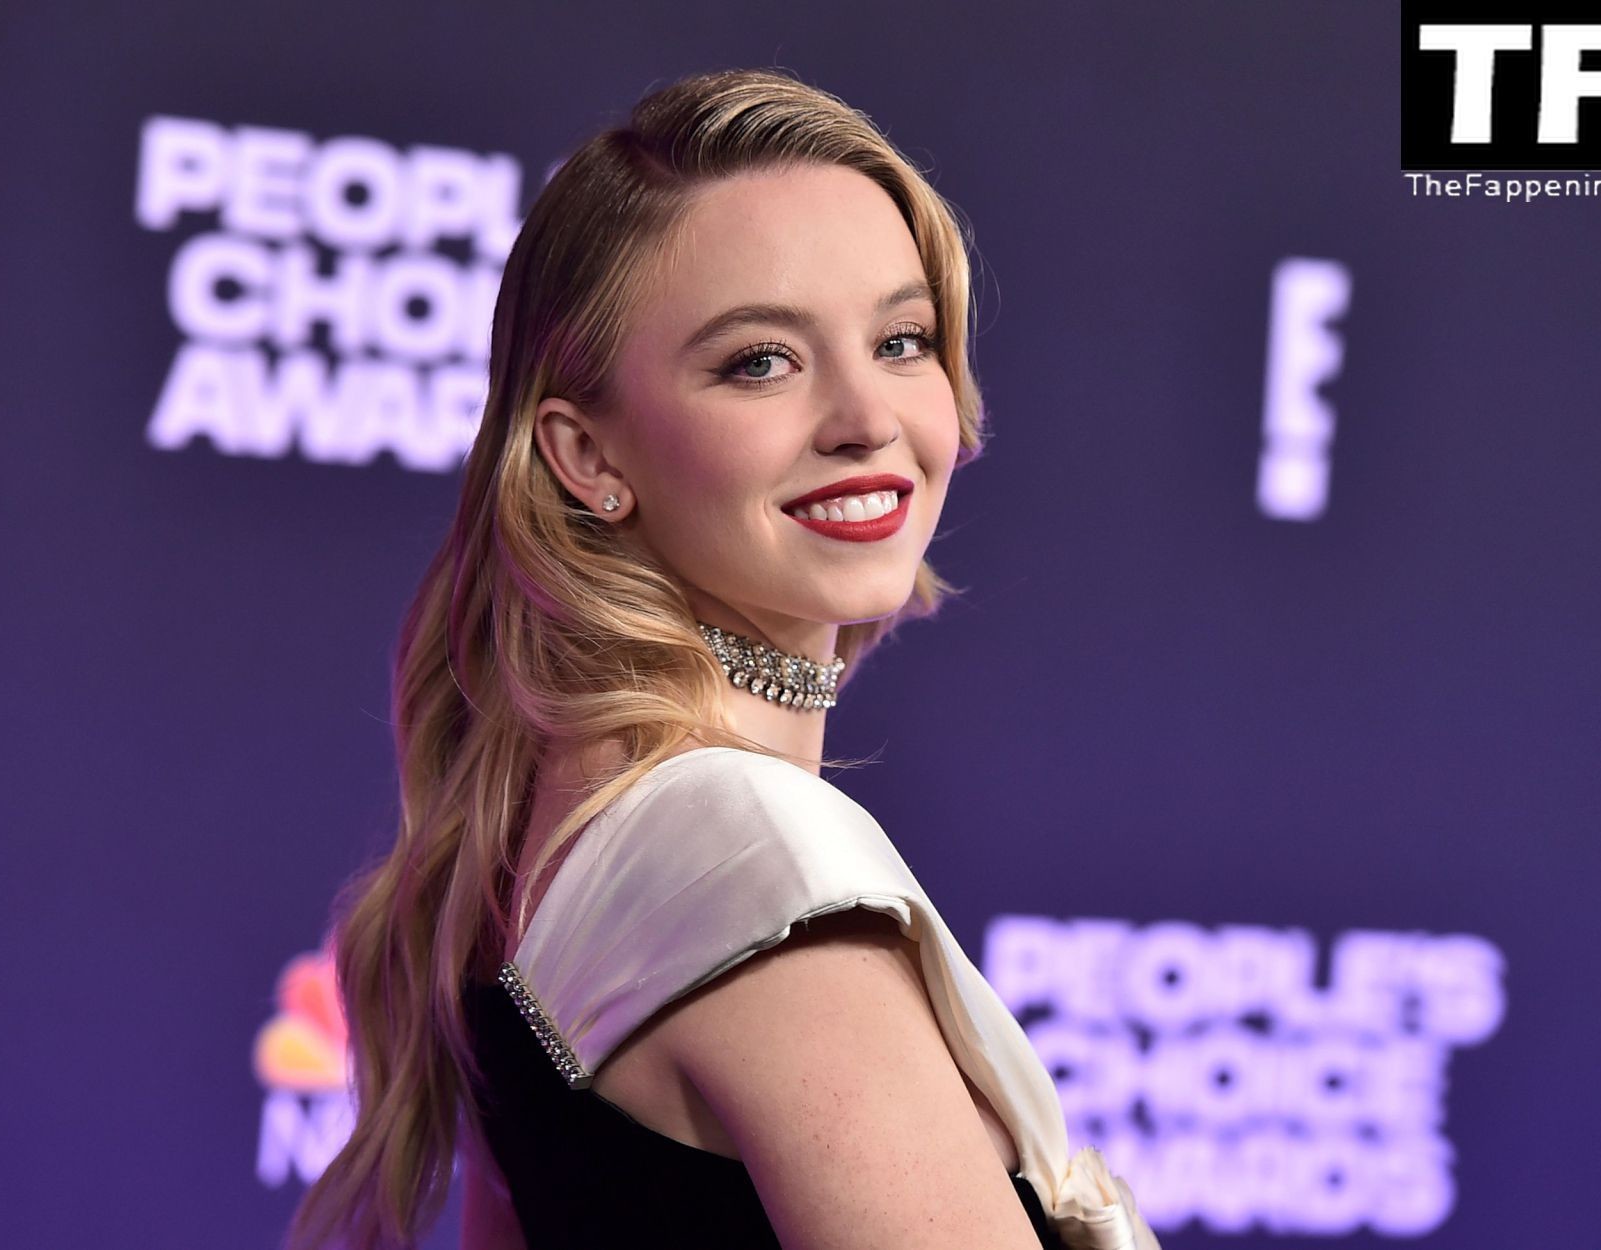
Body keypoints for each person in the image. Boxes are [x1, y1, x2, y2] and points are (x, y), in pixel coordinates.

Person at [284, 67, 1156, 1250]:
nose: (868, 418)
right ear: (588, 455)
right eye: (760, 361)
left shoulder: (560, 833)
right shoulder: (744, 861)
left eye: (901, 340)